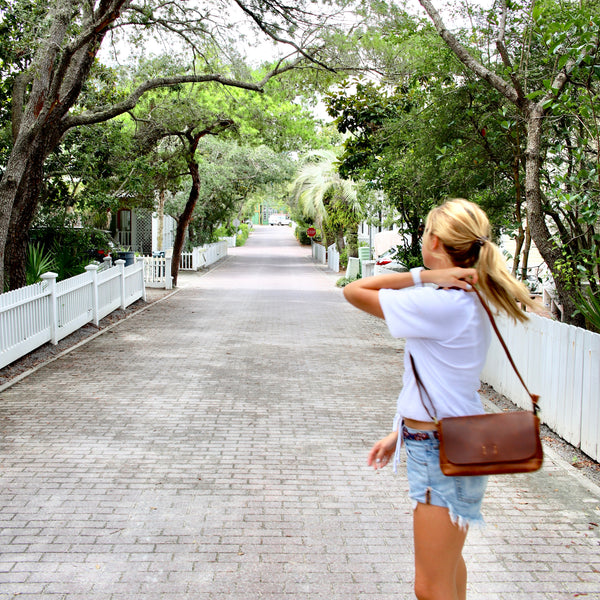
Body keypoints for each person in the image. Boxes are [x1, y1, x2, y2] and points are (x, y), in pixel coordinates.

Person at [343, 198, 534, 600]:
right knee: (448, 570)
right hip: (453, 441)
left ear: (433, 240)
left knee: (430, 587)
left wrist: (422, 277)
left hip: (439, 449)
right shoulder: (472, 297)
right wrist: (398, 433)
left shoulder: (441, 301)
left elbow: (354, 290)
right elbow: (436, 380)